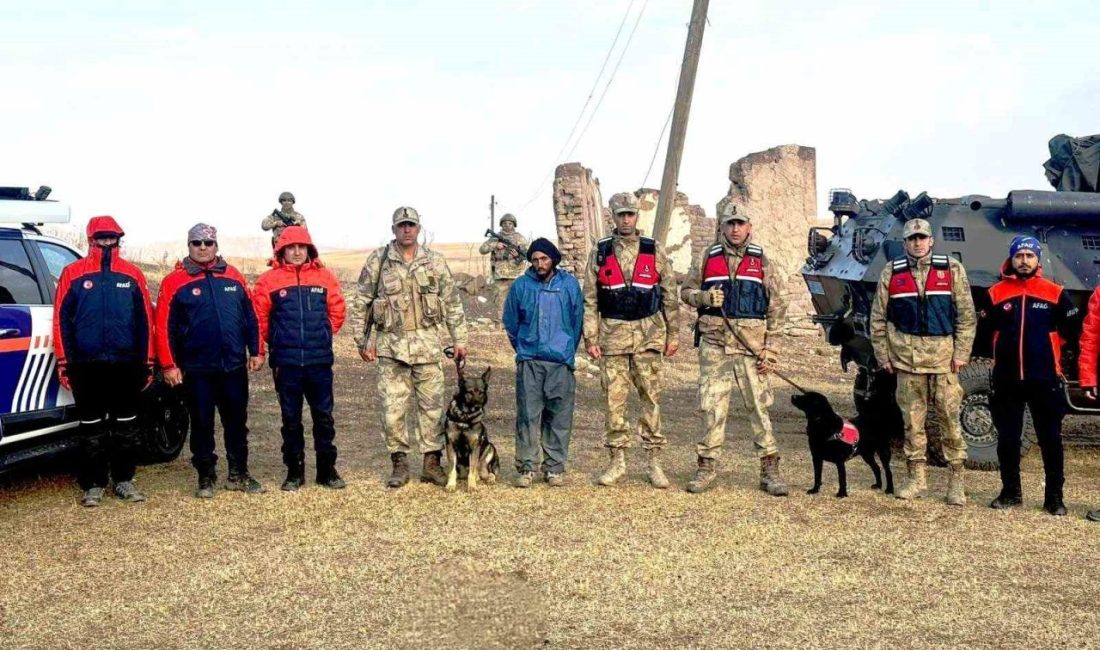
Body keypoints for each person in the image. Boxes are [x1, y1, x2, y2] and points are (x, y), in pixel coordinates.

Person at [351, 207, 468, 489]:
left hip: (428, 348)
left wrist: (459, 339)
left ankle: (431, 463)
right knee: (393, 409)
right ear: (394, 229)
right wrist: (362, 340)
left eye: (411, 225)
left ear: (418, 229)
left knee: (432, 409)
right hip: (391, 349)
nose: (406, 230)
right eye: (401, 225)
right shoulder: (379, 260)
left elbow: (452, 302)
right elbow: (361, 302)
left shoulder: (435, 262)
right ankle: (399, 463)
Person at [679, 204, 789, 495]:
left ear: (749, 227)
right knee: (712, 406)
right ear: (722, 227)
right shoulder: (707, 256)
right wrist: (704, 297)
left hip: (751, 348)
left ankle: (769, 469)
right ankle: (706, 466)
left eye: (740, 223)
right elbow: (686, 292)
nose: (735, 229)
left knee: (759, 407)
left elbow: (777, 305)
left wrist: (772, 349)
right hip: (714, 344)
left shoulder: (762, 259)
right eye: (730, 224)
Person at [870, 218, 976, 505]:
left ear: (931, 240)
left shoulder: (951, 269)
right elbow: (878, 318)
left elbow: (966, 315)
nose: (917, 243)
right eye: (912, 239)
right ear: (904, 243)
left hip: (943, 361)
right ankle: (916, 478)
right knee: (911, 423)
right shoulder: (892, 272)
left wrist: (962, 353)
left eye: (922, 238)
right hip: (908, 362)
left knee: (950, 421)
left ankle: (956, 482)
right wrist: (884, 356)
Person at [155, 223, 264, 499]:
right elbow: (163, 326)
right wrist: (168, 365)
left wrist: (257, 350)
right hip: (196, 369)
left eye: (208, 243)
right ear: (188, 245)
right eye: (196, 243)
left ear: (216, 246)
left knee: (237, 422)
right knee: (201, 422)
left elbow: (251, 316)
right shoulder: (174, 282)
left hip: (233, 366)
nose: (202, 247)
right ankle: (206, 475)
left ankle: (239, 473)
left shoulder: (234, 277)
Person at [53, 216, 155, 507]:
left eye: (112, 237)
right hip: (86, 364)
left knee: (126, 425)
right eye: (102, 237)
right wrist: (64, 361)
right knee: (91, 427)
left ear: (119, 239)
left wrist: (148, 361)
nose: (108, 242)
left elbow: (145, 321)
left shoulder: (132, 274)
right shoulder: (72, 273)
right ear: (90, 239)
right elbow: (62, 322)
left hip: (126, 364)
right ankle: (93, 484)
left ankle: (124, 480)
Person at [583, 192, 679, 489]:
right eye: (621, 214)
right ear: (612, 216)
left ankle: (653, 462)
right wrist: (591, 337)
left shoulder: (654, 250)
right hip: (612, 338)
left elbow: (669, 295)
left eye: (630, 214)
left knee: (651, 400)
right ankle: (617, 461)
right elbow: (589, 299)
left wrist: (673, 334)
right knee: (614, 403)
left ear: (637, 216)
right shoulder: (599, 252)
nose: (626, 219)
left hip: (649, 337)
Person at [252, 225, 347, 490]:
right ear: (281, 250)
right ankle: (294, 472)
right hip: (286, 362)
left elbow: (338, 311)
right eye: (291, 248)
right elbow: (259, 319)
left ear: (309, 250)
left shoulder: (325, 277)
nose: (296, 252)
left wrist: (323, 330)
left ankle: (327, 471)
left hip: (319, 360)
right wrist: (276, 340)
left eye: (301, 247)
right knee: (290, 419)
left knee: (324, 417)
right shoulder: (268, 280)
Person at [987, 236, 1076, 515]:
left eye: (1029, 255)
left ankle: (1054, 498)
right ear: (1011, 259)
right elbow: (983, 333)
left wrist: (1050, 351)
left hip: (1045, 380)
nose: (1024, 260)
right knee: (1008, 440)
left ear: (1038, 260)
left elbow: (1072, 332)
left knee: (1051, 439)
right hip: (1007, 380)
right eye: (1019, 255)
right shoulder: (995, 294)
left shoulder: (1056, 293)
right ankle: (1010, 492)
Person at [503, 237, 583, 487]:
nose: (539, 263)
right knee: (528, 415)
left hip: (560, 362)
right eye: (535, 259)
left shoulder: (569, 285)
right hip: (530, 362)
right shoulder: (521, 286)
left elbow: (577, 320)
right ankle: (527, 467)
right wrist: (525, 348)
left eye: (544, 258)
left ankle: (554, 467)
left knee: (559, 416)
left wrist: (567, 349)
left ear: (553, 260)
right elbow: (511, 323)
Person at [479, 213, 529, 319]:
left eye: (510, 223)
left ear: (514, 224)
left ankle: (518, 320)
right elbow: (482, 250)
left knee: (517, 298)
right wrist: (495, 245)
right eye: (505, 223)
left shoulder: (519, 238)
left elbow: (527, 254)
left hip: (515, 273)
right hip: (500, 273)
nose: (507, 225)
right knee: (500, 299)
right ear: (501, 224)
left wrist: (517, 256)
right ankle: (500, 322)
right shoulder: (495, 238)